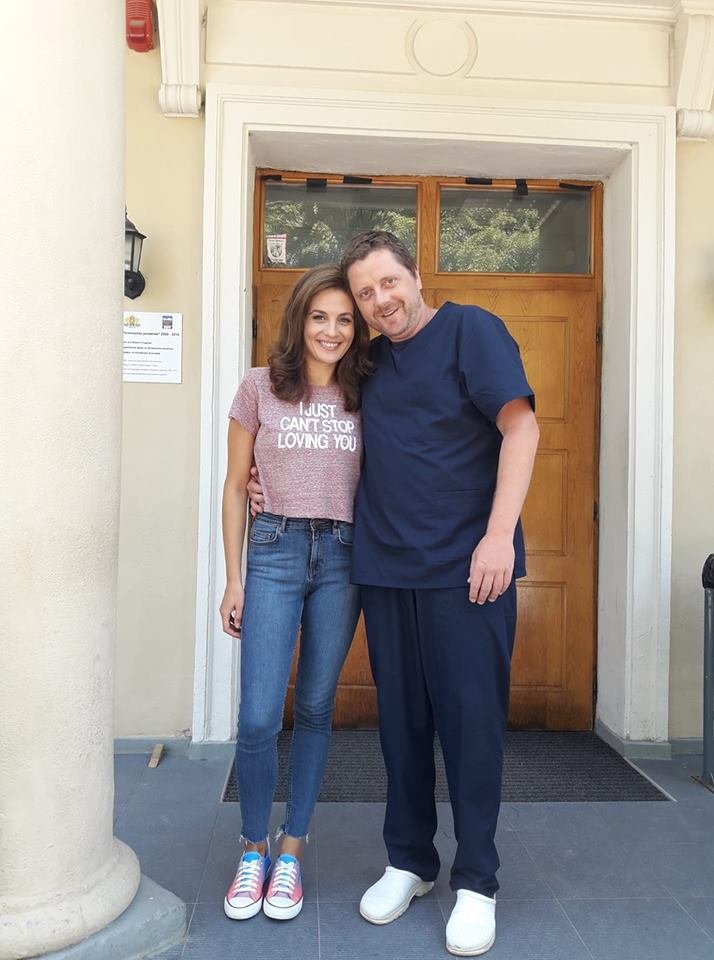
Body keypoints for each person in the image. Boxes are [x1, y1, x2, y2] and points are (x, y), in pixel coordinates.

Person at [249, 231, 539, 956]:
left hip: (468, 572)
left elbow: (522, 428)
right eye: (366, 293)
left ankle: (476, 881)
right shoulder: (368, 362)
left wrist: (499, 537)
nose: (380, 301)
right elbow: (315, 422)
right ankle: (410, 860)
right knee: (401, 728)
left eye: (389, 283)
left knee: (471, 728)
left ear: (416, 276)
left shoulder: (472, 331)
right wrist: (263, 477)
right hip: (383, 568)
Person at [220, 264, 371, 922]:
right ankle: (253, 847)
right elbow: (236, 485)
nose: (331, 331)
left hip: (343, 555)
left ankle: (291, 850)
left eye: (344, 319)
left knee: (313, 708)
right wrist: (234, 577)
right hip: (275, 550)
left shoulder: (367, 392)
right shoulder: (259, 386)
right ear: (299, 320)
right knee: (258, 716)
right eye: (319, 317)